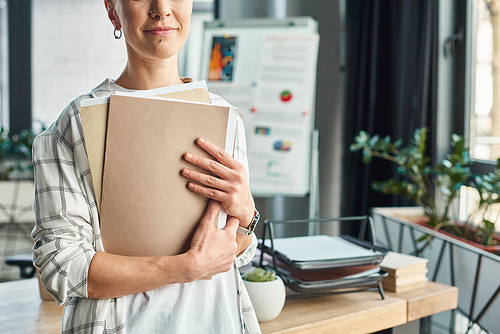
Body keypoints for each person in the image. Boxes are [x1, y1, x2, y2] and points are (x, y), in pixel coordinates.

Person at [31, 0, 261, 333]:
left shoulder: (225, 118)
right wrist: (184, 267)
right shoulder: (73, 127)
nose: (162, 8)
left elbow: (231, 254)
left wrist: (246, 216)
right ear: (113, 11)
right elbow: (61, 269)